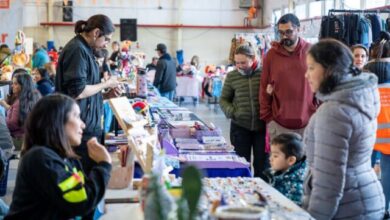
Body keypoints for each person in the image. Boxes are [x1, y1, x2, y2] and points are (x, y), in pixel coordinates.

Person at [303, 39, 385, 219]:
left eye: (311, 68)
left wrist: (314, 216)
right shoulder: (359, 97)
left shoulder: (333, 112)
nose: (306, 75)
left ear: (329, 69)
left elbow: (328, 181)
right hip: (364, 198)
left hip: (347, 207)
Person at [5, 94, 112, 219]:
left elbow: (82, 203)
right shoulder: (39, 158)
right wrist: (104, 164)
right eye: (77, 116)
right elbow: (81, 202)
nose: (83, 124)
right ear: (58, 121)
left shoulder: (68, 159)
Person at [55, 14, 121, 175]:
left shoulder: (85, 49)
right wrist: (106, 83)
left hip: (87, 125)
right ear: (96, 32)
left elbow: (87, 91)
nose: (106, 44)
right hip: (79, 129)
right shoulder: (77, 50)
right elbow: (77, 91)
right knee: (83, 179)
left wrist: (106, 96)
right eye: (106, 39)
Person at [260, 13, 316, 140]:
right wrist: (268, 118)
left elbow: (321, 85)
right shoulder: (271, 56)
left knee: (307, 160)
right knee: (280, 160)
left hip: (308, 122)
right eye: (281, 32)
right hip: (278, 123)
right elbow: (264, 87)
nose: (284, 36)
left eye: (289, 32)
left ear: (299, 29)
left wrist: (317, 112)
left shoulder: (312, 52)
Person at [220, 44, 268, 179]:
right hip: (240, 127)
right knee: (241, 164)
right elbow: (223, 99)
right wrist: (232, 112)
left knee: (262, 165)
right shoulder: (232, 76)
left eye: (243, 62)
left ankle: (262, 194)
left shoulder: (264, 73)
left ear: (252, 58)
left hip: (262, 127)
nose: (240, 66)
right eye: (237, 63)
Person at [364, 31, 390, 219]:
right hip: (388, 139)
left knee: (365, 172)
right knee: (388, 176)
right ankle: (384, 209)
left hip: (369, 137)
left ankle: (369, 204)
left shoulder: (368, 87)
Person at [0, 71, 41, 150]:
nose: (12, 86)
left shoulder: (20, 101)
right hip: (32, 139)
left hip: (19, 141)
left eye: (15, 84)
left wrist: (3, 119)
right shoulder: (35, 96)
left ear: (23, 86)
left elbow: (11, 124)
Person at [264, 133, 307, 206]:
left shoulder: (296, 184)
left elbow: (292, 209)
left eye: (275, 156)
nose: (270, 158)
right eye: (271, 154)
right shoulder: (279, 171)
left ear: (291, 160)